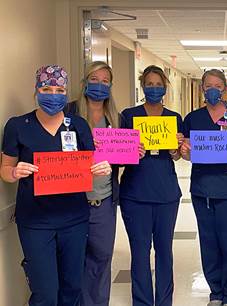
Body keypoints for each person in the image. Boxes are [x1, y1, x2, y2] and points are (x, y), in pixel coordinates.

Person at [0, 65, 111, 306]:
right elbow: (5, 170)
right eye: (46, 88)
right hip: (35, 222)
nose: (53, 94)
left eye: (59, 89)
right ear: (36, 90)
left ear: (66, 92)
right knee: (45, 293)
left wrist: (102, 168)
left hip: (74, 219)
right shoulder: (18, 126)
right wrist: (14, 171)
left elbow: (90, 163)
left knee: (72, 288)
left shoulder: (78, 125)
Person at [180, 69, 227, 306]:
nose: (213, 90)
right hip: (203, 190)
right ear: (202, 88)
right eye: (208, 85)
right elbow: (187, 152)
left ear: (225, 88)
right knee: (208, 242)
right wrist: (184, 152)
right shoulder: (193, 118)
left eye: (218, 85)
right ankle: (215, 292)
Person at [120, 65, 183, 306]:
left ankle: (165, 301)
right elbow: (118, 153)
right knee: (140, 252)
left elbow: (177, 156)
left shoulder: (174, 118)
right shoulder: (128, 116)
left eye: (159, 84)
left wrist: (176, 148)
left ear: (165, 87)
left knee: (165, 252)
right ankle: (143, 302)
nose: (154, 88)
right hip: (135, 194)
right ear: (142, 86)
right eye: (150, 84)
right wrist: (130, 151)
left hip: (166, 194)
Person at [72, 61, 120, 306]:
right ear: (85, 81)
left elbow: (123, 159)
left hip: (103, 200)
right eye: (94, 79)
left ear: (110, 85)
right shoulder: (68, 114)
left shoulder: (116, 118)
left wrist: (135, 151)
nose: (99, 85)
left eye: (105, 81)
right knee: (74, 261)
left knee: (101, 259)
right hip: (72, 202)